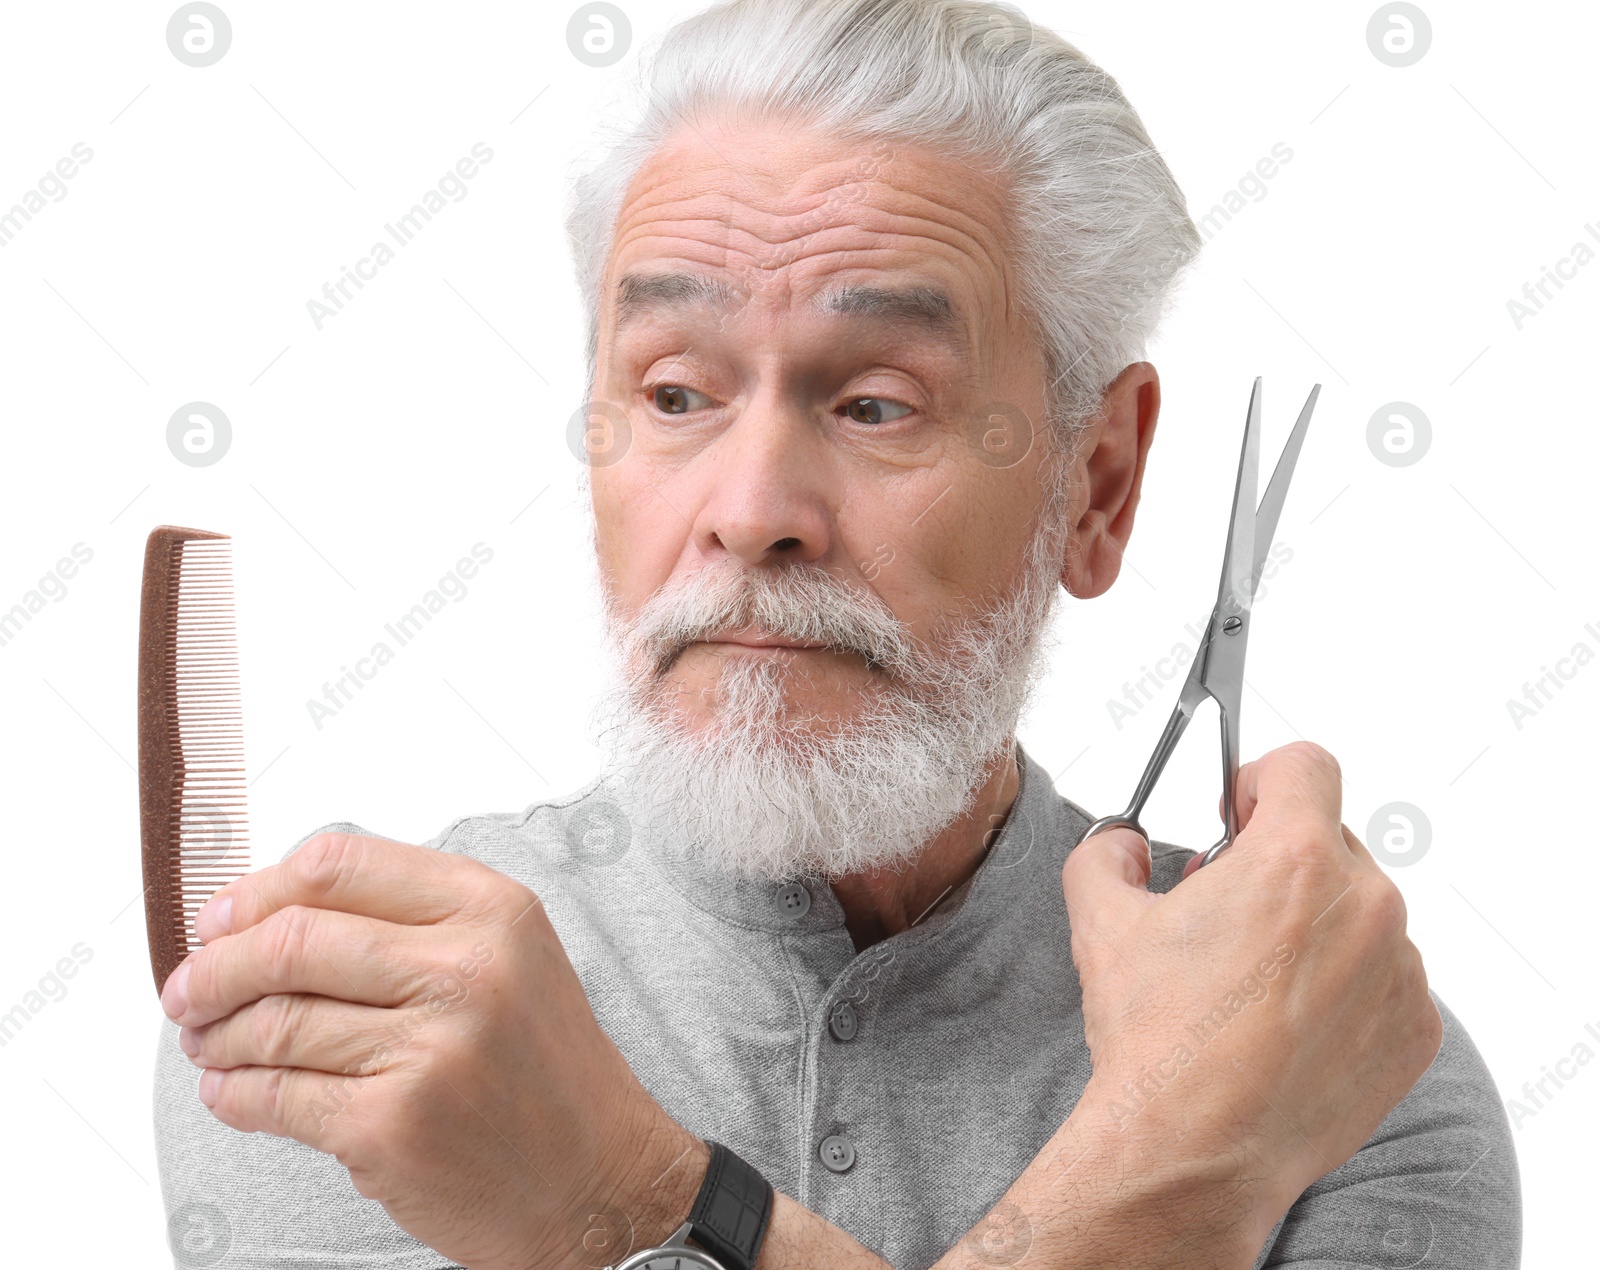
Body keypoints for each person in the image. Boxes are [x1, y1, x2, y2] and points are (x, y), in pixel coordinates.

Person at [152, 2, 1520, 1267]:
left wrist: (628, 1205)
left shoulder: (1339, 1049)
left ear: (1094, 485)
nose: (749, 514)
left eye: (875, 404)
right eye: (676, 391)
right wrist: (1177, 1162)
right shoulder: (351, 1025)